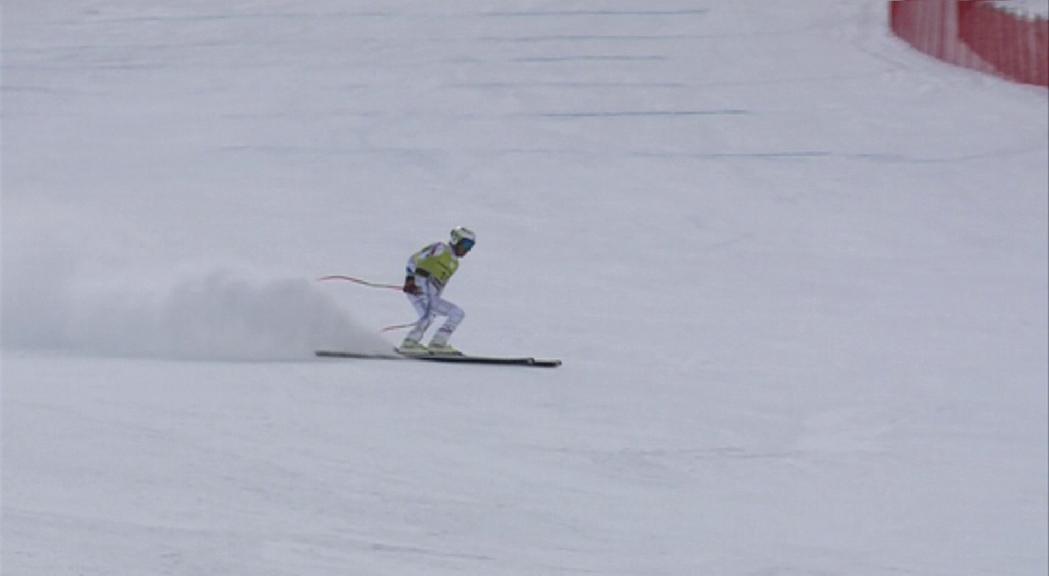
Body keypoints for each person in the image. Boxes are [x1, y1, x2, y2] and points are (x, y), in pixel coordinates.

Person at [399, 226, 476, 355]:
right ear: (456, 240)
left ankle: (438, 343)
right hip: (419, 285)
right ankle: (409, 343)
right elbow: (413, 260)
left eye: (471, 246)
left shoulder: (454, 263)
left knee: (456, 313)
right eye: (466, 244)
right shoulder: (441, 248)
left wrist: (435, 298)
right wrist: (410, 279)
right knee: (428, 314)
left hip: (431, 293)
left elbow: (440, 285)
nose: (468, 249)